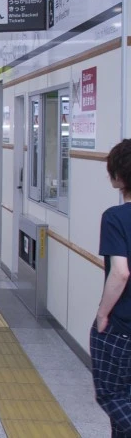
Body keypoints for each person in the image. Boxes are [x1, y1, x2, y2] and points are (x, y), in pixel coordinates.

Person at [93, 139, 131, 436]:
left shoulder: (116, 217)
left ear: (119, 177)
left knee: (112, 394)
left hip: (123, 326)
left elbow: (119, 273)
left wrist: (103, 314)